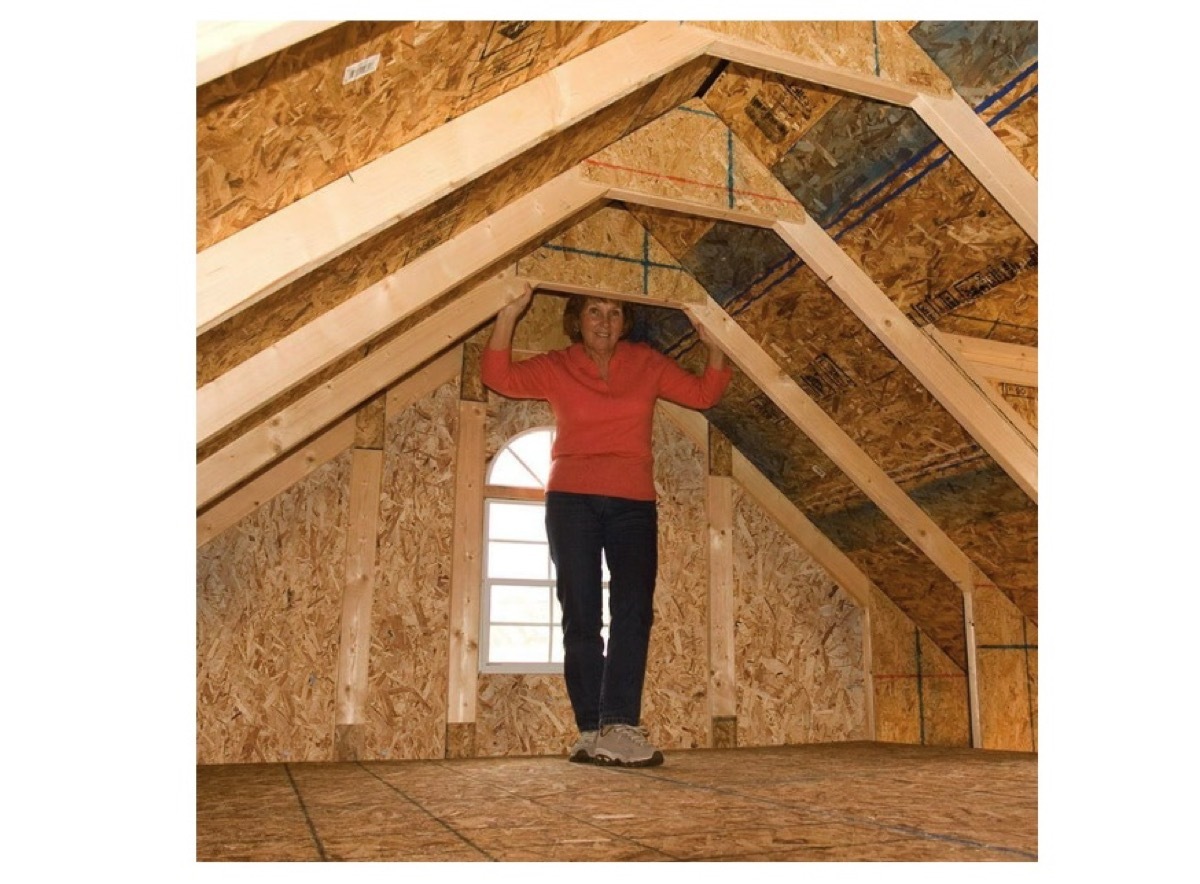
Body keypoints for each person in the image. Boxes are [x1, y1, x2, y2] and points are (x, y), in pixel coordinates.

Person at [481, 284, 733, 767]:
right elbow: (498, 375)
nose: (604, 320)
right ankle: (590, 729)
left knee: (633, 611)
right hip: (571, 500)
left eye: (615, 312)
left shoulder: (646, 364)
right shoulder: (558, 366)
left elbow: (705, 393)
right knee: (581, 615)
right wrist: (509, 315)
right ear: (577, 318)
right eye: (595, 311)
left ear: (625, 321)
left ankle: (619, 725)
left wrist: (714, 343)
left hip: (633, 503)